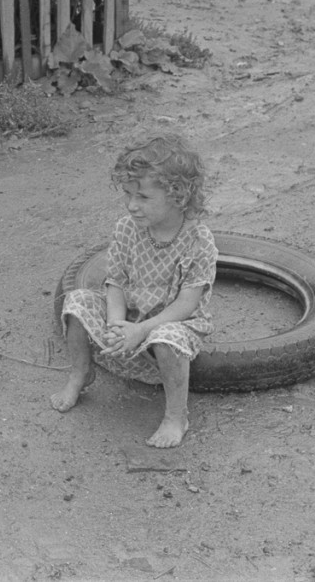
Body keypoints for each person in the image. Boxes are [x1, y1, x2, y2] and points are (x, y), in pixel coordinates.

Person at [51, 133, 217, 448]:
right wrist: (117, 324)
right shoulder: (127, 228)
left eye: (142, 197)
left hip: (173, 323)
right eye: (128, 195)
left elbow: (186, 304)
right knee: (75, 302)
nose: (132, 206)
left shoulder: (199, 240)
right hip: (131, 316)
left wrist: (140, 330)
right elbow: (116, 282)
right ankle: (80, 374)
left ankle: (175, 415)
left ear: (178, 195)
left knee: (168, 337)